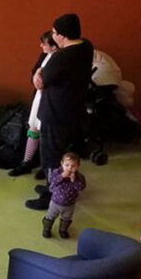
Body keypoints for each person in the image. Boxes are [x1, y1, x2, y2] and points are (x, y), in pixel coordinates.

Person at [26, 13, 94, 210]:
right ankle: (54, 186)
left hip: (55, 112)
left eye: (55, 32)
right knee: (59, 152)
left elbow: (40, 83)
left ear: (62, 36)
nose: (52, 35)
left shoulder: (61, 57)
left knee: (50, 156)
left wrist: (38, 71)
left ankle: (51, 194)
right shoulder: (86, 47)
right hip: (73, 110)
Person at [9, 31, 59, 177]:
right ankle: (27, 161)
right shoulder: (44, 56)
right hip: (39, 97)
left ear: (54, 46)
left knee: (45, 132)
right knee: (33, 128)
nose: (41, 46)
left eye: (44, 43)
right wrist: (36, 75)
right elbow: (34, 73)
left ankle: (45, 166)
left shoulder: (58, 60)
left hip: (49, 99)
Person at [43, 152, 86, 239]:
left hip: (69, 204)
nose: (70, 168)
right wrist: (61, 176)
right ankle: (46, 229)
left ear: (78, 166)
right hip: (55, 202)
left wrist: (74, 180)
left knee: (66, 219)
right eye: (67, 165)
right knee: (50, 217)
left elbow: (81, 188)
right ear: (62, 164)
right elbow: (52, 181)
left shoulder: (79, 177)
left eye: (73, 166)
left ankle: (63, 230)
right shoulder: (57, 173)